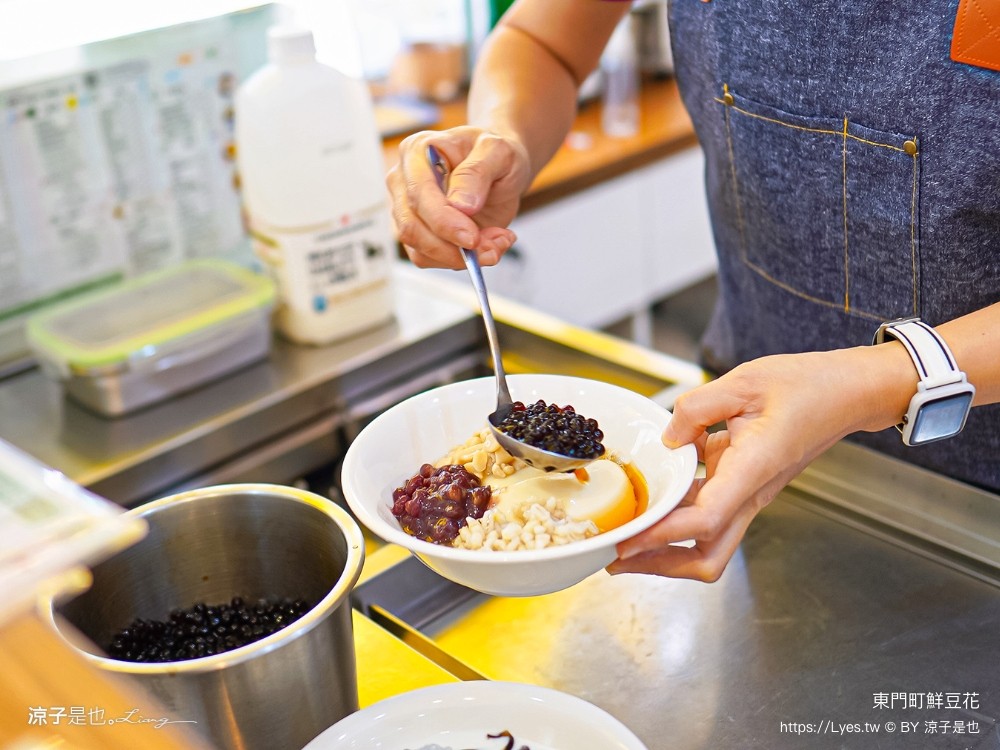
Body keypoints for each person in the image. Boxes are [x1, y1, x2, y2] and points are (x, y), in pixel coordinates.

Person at [385, 0, 1000, 582]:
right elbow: (542, 40)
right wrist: (502, 136)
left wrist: (871, 383)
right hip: (743, 446)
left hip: (978, 493)